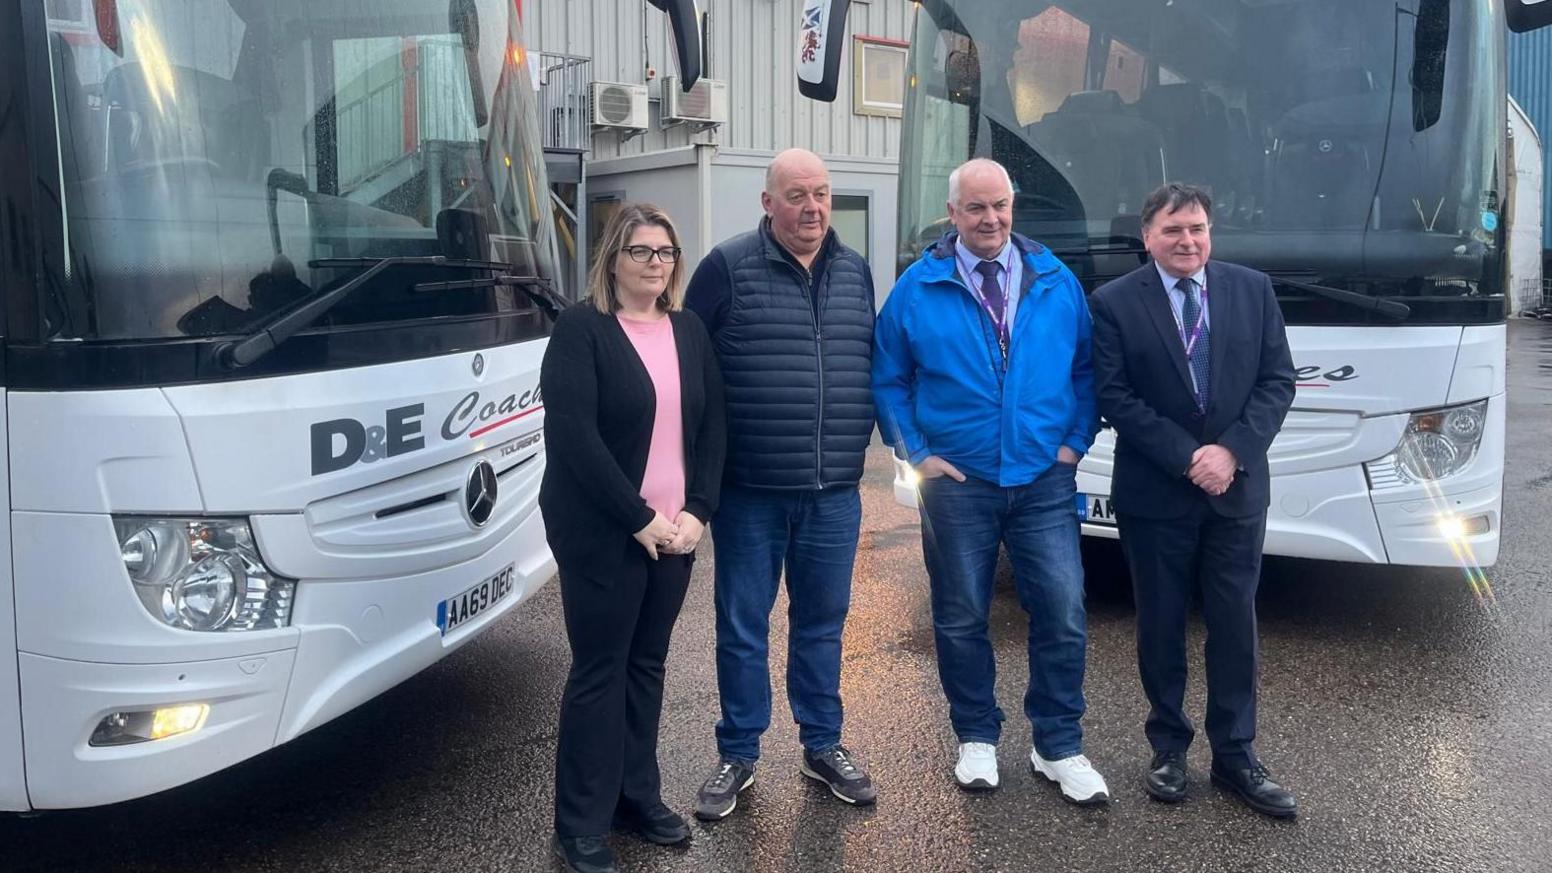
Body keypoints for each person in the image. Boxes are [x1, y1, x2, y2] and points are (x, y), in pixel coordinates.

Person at [873, 158, 1107, 804]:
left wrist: (1073, 443)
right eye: (976, 208)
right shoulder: (918, 289)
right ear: (952, 214)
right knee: (960, 614)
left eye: (1000, 206)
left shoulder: (1055, 282)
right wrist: (914, 453)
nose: (990, 219)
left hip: (1042, 479)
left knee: (1062, 609)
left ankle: (1057, 743)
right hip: (958, 483)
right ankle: (976, 734)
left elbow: (1087, 371)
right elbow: (888, 375)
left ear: (1013, 207)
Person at [1088, 182, 1298, 819]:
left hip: (1236, 491)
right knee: (1160, 623)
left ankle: (1236, 756)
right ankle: (1168, 748)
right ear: (1147, 236)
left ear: (1211, 233)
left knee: (1235, 624)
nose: (1188, 241)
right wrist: (1188, 456)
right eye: (1174, 230)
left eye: (1198, 229)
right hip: (1157, 494)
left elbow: (1277, 381)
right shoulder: (1114, 303)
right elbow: (1114, 396)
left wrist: (1230, 452)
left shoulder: (1251, 290)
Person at [683, 148, 877, 819]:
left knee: (823, 624)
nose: (812, 208)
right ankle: (738, 751)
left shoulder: (856, 272)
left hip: (834, 493)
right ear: (768, 203)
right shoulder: (725, 269)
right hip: (750, 493)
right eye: (797, 194)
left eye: (821, 193)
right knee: (743, 626)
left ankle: (823, 743)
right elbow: (689, 377)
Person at [540, 203, 726, 873]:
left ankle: (635, 796)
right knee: (600, 670)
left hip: (675, 533)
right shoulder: (581, 329)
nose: (657, 262)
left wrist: (698, 510)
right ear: (613, 259)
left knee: (647, 667)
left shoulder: (688, 329)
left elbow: (712, 429)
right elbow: (574, 438)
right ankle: (580, 823)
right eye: (643, 251)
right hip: (606, 533)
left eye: (667, 251)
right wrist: (637, 516)